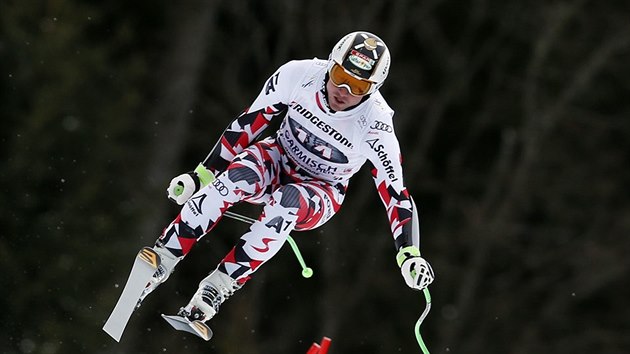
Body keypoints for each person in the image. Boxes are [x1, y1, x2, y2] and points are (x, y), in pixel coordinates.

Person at [139, 31, 435, 325]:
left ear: (373, 89)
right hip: (279, 158)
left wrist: (408, 253)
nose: (343, 90)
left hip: (322, 190)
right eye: (339, 74)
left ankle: (218, 286)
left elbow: (396, 194)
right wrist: (201, 175)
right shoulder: (298, 74)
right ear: (329, 64)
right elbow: (248, 124)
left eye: (357, 86)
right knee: (237, 176)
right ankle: (164, 256)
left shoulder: (376, 125)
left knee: (287, 201)